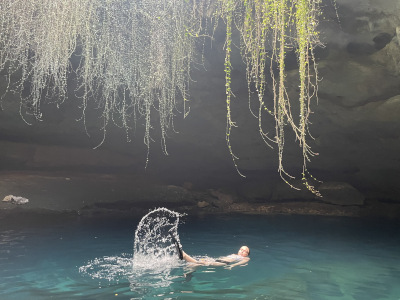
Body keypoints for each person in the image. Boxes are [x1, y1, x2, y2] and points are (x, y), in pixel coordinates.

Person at [181, 246, 250, 270]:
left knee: (203, 263)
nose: (242, 251)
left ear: (247, 254)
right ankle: (190, 272)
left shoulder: (246, 258)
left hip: (224, 263)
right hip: (217, 260)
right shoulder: (234, 254)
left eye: (244, 251)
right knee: (200, 262)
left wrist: (232, 265)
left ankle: (185, 256)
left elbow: (241, 262)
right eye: (241, 249)